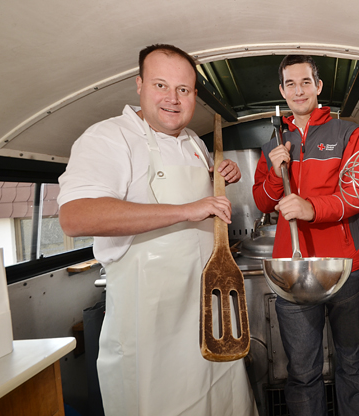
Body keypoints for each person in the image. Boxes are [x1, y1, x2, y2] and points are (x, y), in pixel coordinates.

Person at [58, 44, 257, 416]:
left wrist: (216, 179)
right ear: (139, 85)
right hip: (152, 332)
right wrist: (187, 209)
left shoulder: (194, 143)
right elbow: (76, 216)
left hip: (206, 317)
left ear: (194, 95)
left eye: (183, 89)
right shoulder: (108, 138)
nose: (173, 99)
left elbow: (200, 209)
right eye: (160, 85)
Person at [252, 55, 359, 416]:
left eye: (305, 82)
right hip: (293, 270)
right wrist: (276, 173)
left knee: (352, 362)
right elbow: (262, 201)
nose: (298, 90)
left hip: (346, 268)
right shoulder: (274, 142)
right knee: (302, 371)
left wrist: (311, 208)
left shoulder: (348, 132)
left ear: (318, 87)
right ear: (282, 91)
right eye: (290, 83)